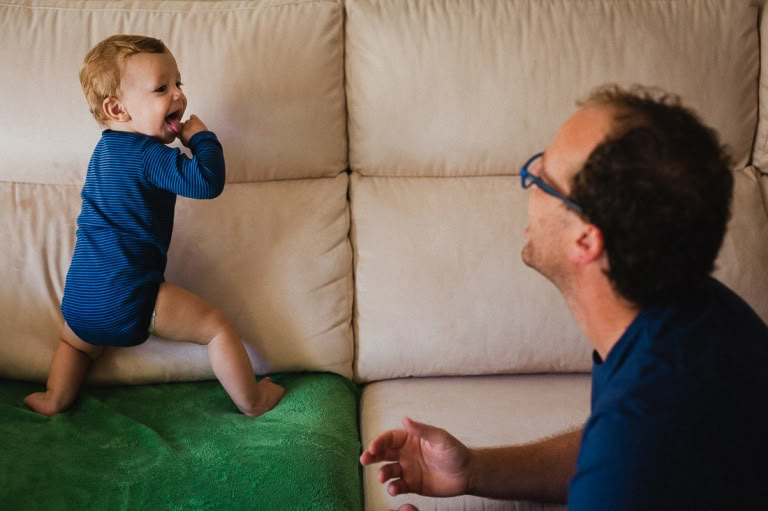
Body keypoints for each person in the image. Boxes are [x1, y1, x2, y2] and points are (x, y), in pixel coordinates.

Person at [360, 85, 768, 510]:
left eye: (543, 179)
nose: (529, 187)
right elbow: (603, 452)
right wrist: (474, 469)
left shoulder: (638, 446)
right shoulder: (701, 312)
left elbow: (623, 460)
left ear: (586, 239)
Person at [24, 34, 285, 418]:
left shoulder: (103, 152)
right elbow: (207, 182)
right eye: (162, 88)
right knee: (216, 328)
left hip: (80, 299)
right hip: (133, 296)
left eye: (179, 83)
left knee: (75, 345)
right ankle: (253, 400)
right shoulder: (151, 157)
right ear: (117, 109)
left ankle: (54, 397)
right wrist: (201, 139)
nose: (179, 95)